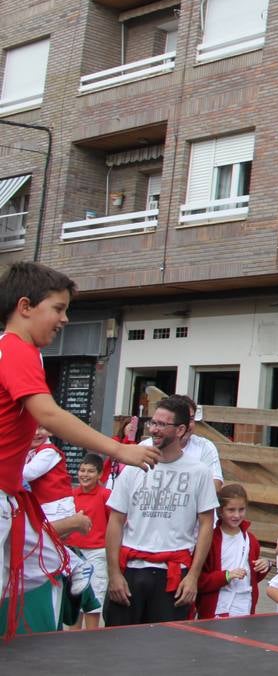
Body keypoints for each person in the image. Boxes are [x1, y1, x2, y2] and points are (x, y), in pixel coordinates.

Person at [0, 262, 158, 636]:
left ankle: (71, 567)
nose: (65, 319)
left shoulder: (15, 352)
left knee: (44, 565)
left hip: (10, 495)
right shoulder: (18, 351)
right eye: (57, 308)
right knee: (33, 568)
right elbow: (49, 414)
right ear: (25, 307)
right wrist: (120, 451)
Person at [103, 395, 216, 626]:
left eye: (162, 425)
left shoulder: (200, 471)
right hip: (131, 571)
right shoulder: (134, 466)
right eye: (153, 423)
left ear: (181, 429)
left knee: (166, 650)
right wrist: (114, 574)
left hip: (173, 575)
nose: (154, 430)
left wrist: (193, 576)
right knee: (117, 645)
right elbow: (115, 520)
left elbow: (206, 524)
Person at [195, 483, 268, 618]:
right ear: (220, 511)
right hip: (215, 610)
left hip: (245, 607)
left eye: (241, 509)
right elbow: (198, 581)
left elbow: (253, 578)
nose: (237, 515)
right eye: (231, 510)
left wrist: (264, 566)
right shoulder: (210, 540)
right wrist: (226, 576)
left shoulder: (251, 540)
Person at [137, 396, 222, 491]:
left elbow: (216, 484)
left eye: (191, 419)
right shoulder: (143, 447)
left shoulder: (205, 447)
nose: (187, 425)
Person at [69, 453, 112, 628]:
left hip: (96, 553)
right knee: (73, 602)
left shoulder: (105, 495)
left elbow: (114, 525)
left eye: (90, 471)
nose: (85, 475)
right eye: (82, 470)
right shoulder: (71, 495)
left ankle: (91, 644)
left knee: (93, 602)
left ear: (100, 474)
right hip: (74, 553)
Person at [102, 417, 141, 489]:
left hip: (126, 479)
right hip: (110, 476)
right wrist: (127, 438)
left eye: (133, 428)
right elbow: (116, 453)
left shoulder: (137, 445)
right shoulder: (115, 440)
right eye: (129, 426)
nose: (131, 428)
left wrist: (131, 440)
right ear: (124, 427)